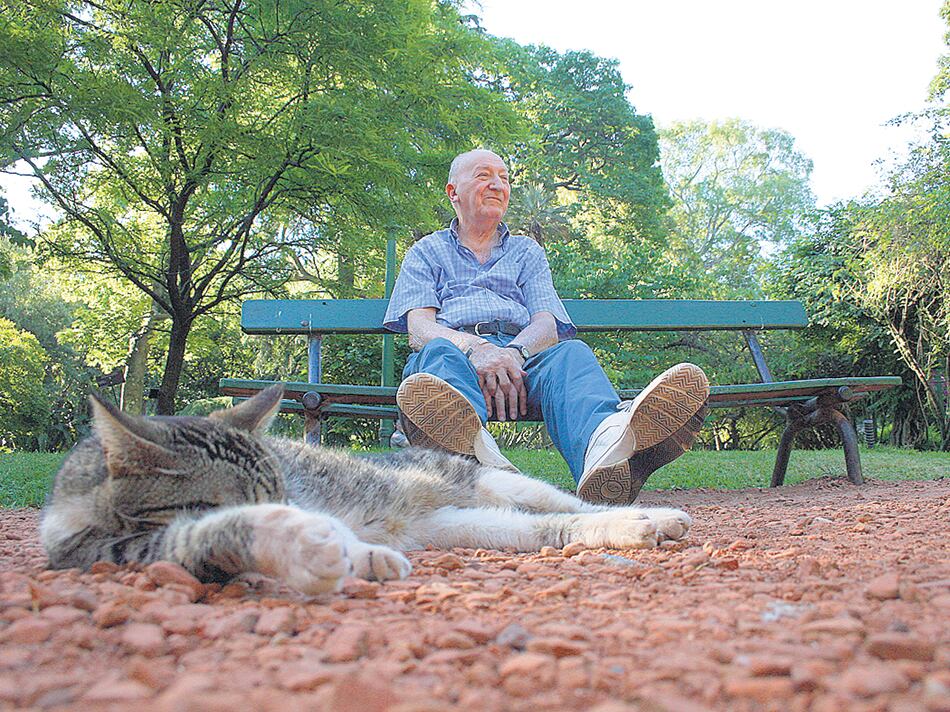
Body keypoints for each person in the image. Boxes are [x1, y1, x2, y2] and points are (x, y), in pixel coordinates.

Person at [382, 149, 709, 503]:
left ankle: (607, 451)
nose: (497, 184)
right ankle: (477, 461)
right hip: (455, 358)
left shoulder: (527, 252)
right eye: (483, 175)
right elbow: (420, 328)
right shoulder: (426, 251)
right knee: (437, 354)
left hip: (521, 358)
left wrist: (513, 353)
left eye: (504, 178)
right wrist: (477, 349)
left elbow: (546, 324)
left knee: (571, 355)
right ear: (453, 192)